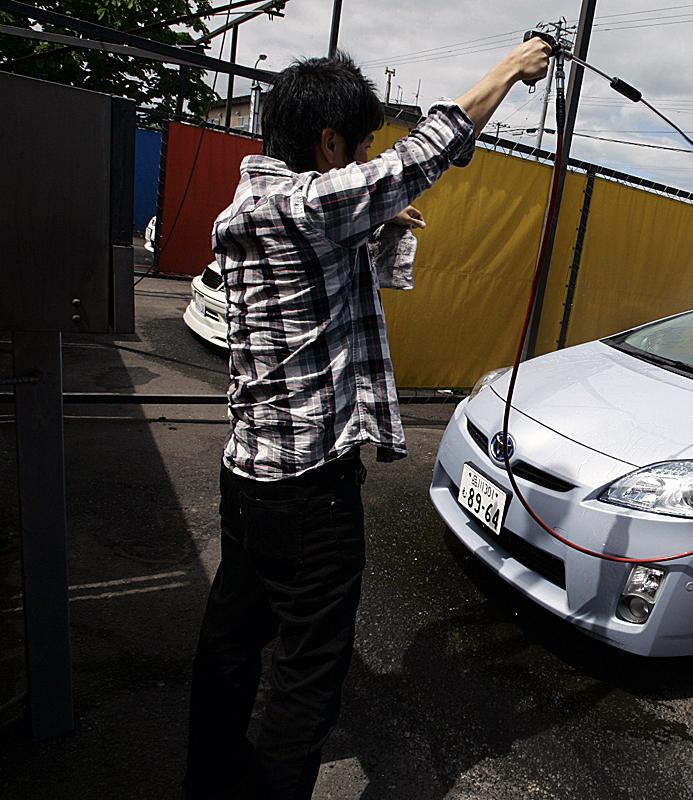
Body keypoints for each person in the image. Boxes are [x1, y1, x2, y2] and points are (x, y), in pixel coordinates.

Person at [183, 39, 552, 800]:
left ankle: (208, 779)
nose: (362, 163)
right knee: (307, 678)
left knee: (232, 640)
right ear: (327, 143)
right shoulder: (311, 204)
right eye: (356, 150)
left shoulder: (249, 203)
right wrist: (511, 69)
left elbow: (338, 268)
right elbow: (429, 147)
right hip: (312, 496)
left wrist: (376, 222)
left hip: (247, 477)